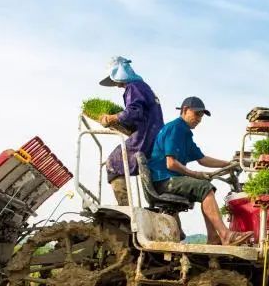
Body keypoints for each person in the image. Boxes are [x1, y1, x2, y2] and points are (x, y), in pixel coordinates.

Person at [148, 97, 253, 246]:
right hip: (164, 180)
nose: (199, 119)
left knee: (204, 186)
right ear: (184, 110)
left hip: (170, 179)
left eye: (201, 116)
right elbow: (171, 164)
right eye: (196, 114)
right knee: (205, 187)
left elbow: (202, 159)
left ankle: (213, 238)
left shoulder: (184, 133)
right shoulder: (175, 128)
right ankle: (225, 235)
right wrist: (195, 174)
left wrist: (230, 164)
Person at [98, 56, 164, 205]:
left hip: (145, 136)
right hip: (154, 136)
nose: (116, 85)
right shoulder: (143, 86)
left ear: (119, 73)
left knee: (113, 163)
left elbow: (134, 112)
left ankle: (126, 208)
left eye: (114, 79)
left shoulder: (133, 87)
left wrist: (112, 118)